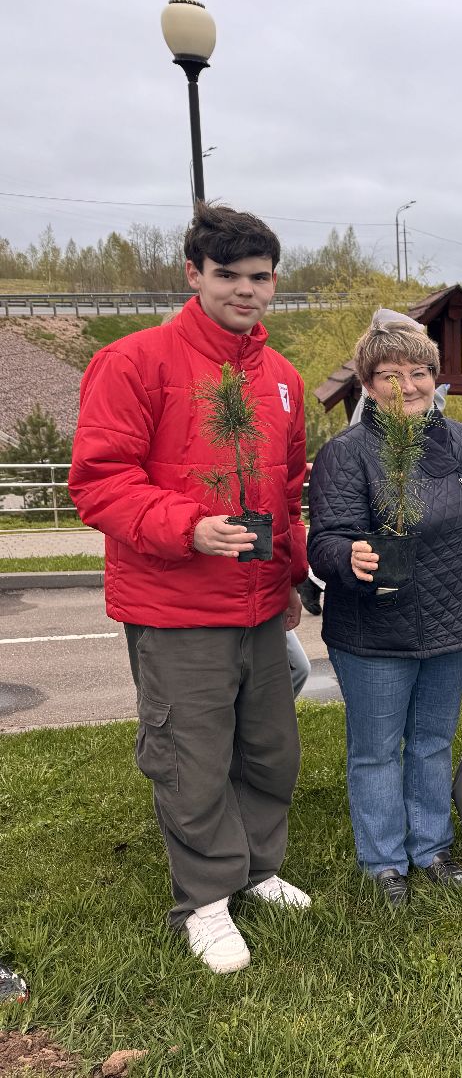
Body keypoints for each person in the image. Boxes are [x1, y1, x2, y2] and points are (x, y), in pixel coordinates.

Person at [68, 203, 309, 975]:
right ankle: (204, 901)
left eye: (260, 277)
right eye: (229, 276)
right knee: (191, 756)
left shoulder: (281, 379)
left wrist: (297, 572)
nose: (247, 291)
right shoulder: (134, 362)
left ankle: (257, 868)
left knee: (269, 750)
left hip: (260, 602)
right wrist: (188, 527)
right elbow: (100, 481)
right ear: (194, 274)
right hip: (175, 604)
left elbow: (290, 488)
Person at [308, 309, 462, 906]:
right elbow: (325, 538)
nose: (406, 385)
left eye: (417, 372)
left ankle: (432, 847)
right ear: (368, 384)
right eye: (390, 374)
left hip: (449, 623)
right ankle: (385, 859)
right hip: (375, 631)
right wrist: (350, 557)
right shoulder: (348, 453)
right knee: (375, 749)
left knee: (433, 741)